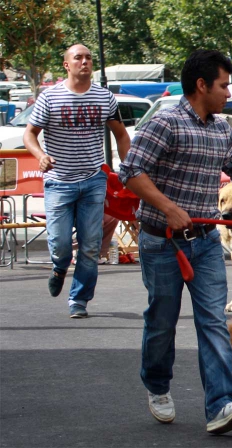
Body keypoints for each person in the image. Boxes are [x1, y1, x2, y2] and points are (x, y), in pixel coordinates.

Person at [118, 49, 232, 434]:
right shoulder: (165, 124)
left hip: (203, 243)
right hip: (161, 241)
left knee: (213, 323)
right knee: (162, 322)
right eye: (224, 84)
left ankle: (221, 405)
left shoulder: (221, 129)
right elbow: (131, 172)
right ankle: (157, 384)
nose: (229, 92)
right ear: (201, 86)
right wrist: (168, 207)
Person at [23, 44, 130, 318]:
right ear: (66, 65)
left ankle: (79, 300)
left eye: (88, 57)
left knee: (91, 245)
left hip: (94, 179)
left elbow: (121, 134)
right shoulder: (50, 97)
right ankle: (59, 267)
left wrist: (128, 167)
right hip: (59, 181)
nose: (84, 62)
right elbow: (30, 135)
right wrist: (41, 156)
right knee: (59, 244)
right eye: (78, 58)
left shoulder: (105, 98)